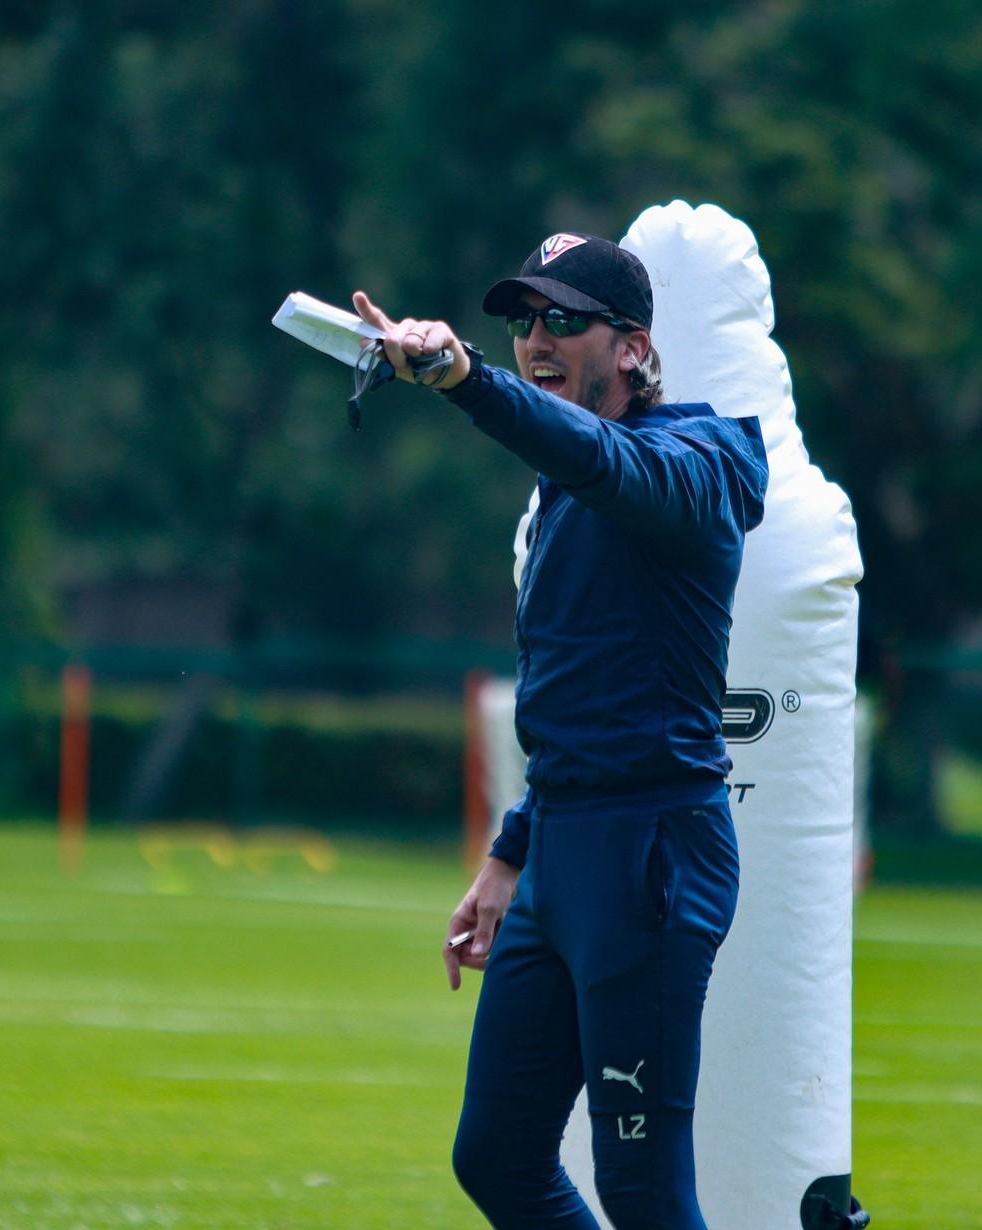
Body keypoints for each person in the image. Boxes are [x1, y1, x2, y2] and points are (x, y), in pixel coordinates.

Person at [353, 231, 768, 1230]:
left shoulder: (694, 462)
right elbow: (585, 704)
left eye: (564, 320)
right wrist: (508, 858)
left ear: (632, 348)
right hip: (565, 853)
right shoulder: (565, 486)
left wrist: (463, 375)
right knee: (497, 1157)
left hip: (651, 857)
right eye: (523, 321)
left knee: (642, 1191)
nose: (537, 337)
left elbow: (599, 458)